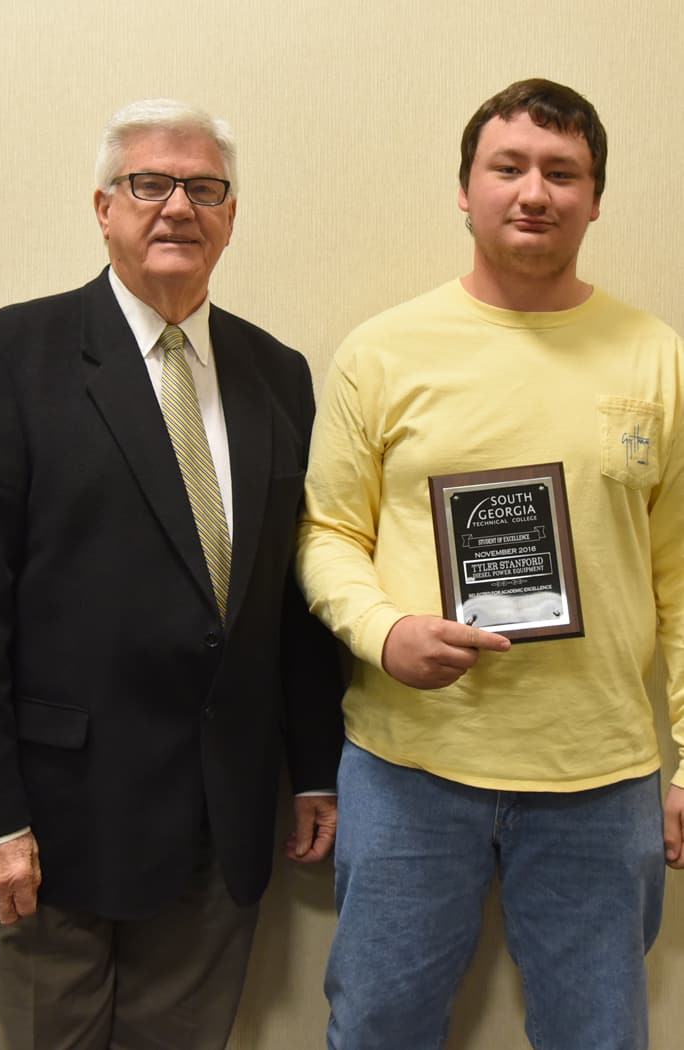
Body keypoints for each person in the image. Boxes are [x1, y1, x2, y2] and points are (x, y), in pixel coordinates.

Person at [296, 78, 684, 1050]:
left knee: (598, 1037)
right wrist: (385, 634)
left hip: (601, 778)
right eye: (506, 167)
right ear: (463, 190)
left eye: (562, 172)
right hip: (408, 768)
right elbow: (327, 533)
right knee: (378, 1030)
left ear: (595, 198)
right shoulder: (382, 353)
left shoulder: (657, 360)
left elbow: (680, 578)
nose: (533, 192)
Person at [0, 98, 343, 1050]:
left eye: (205, 188)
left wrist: (316, 768)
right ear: (104, 207)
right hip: (55, 831)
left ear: (232, 215)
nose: (178, 206)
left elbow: (293, 598)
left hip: (220, 825)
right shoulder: (10, 356)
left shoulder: (280, 374)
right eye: (151, 184)